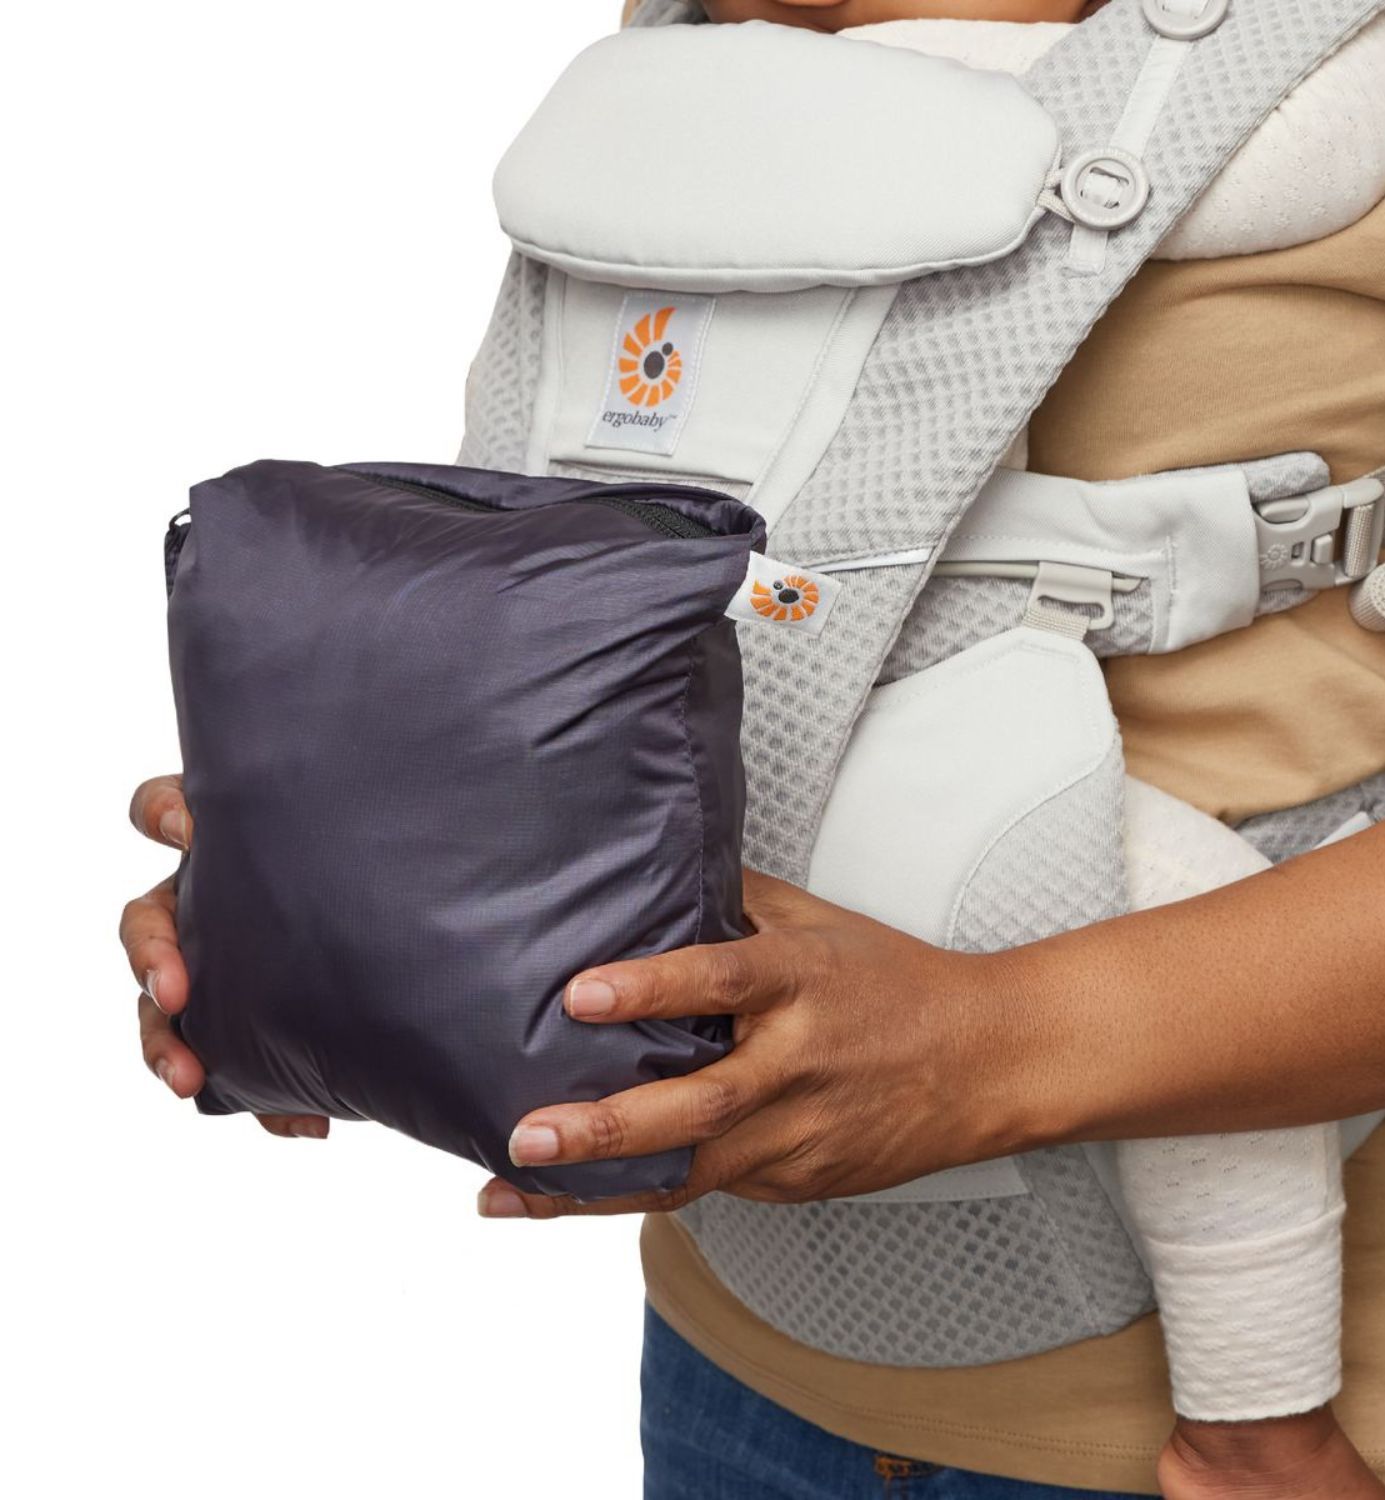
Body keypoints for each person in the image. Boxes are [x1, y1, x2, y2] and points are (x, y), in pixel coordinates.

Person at [123, 0, 1385, 1494]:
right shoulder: (672, 52)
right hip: (735, 1353)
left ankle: (1260, 1417)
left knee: (1164, 879)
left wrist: (999, 1041)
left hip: (1211, 1431)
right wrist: (337, 871)